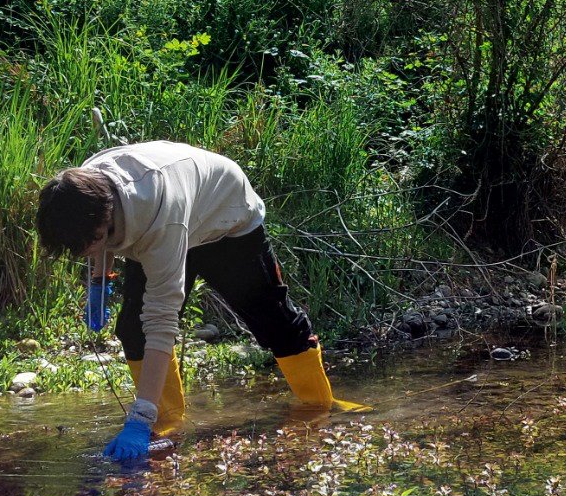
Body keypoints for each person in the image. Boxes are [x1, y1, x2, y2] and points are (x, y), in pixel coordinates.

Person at [35, 141, 361, 464]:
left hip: (225, 219)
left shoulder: (159, 219)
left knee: (276, 324)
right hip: (170, 214)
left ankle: (318, 407)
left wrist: (138, 419)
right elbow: (96, 240)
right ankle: (167, 428)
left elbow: (162, 322)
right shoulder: (82, 187)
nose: (85, 252)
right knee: (133, 331)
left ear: (105, 220)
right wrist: (98, 282)